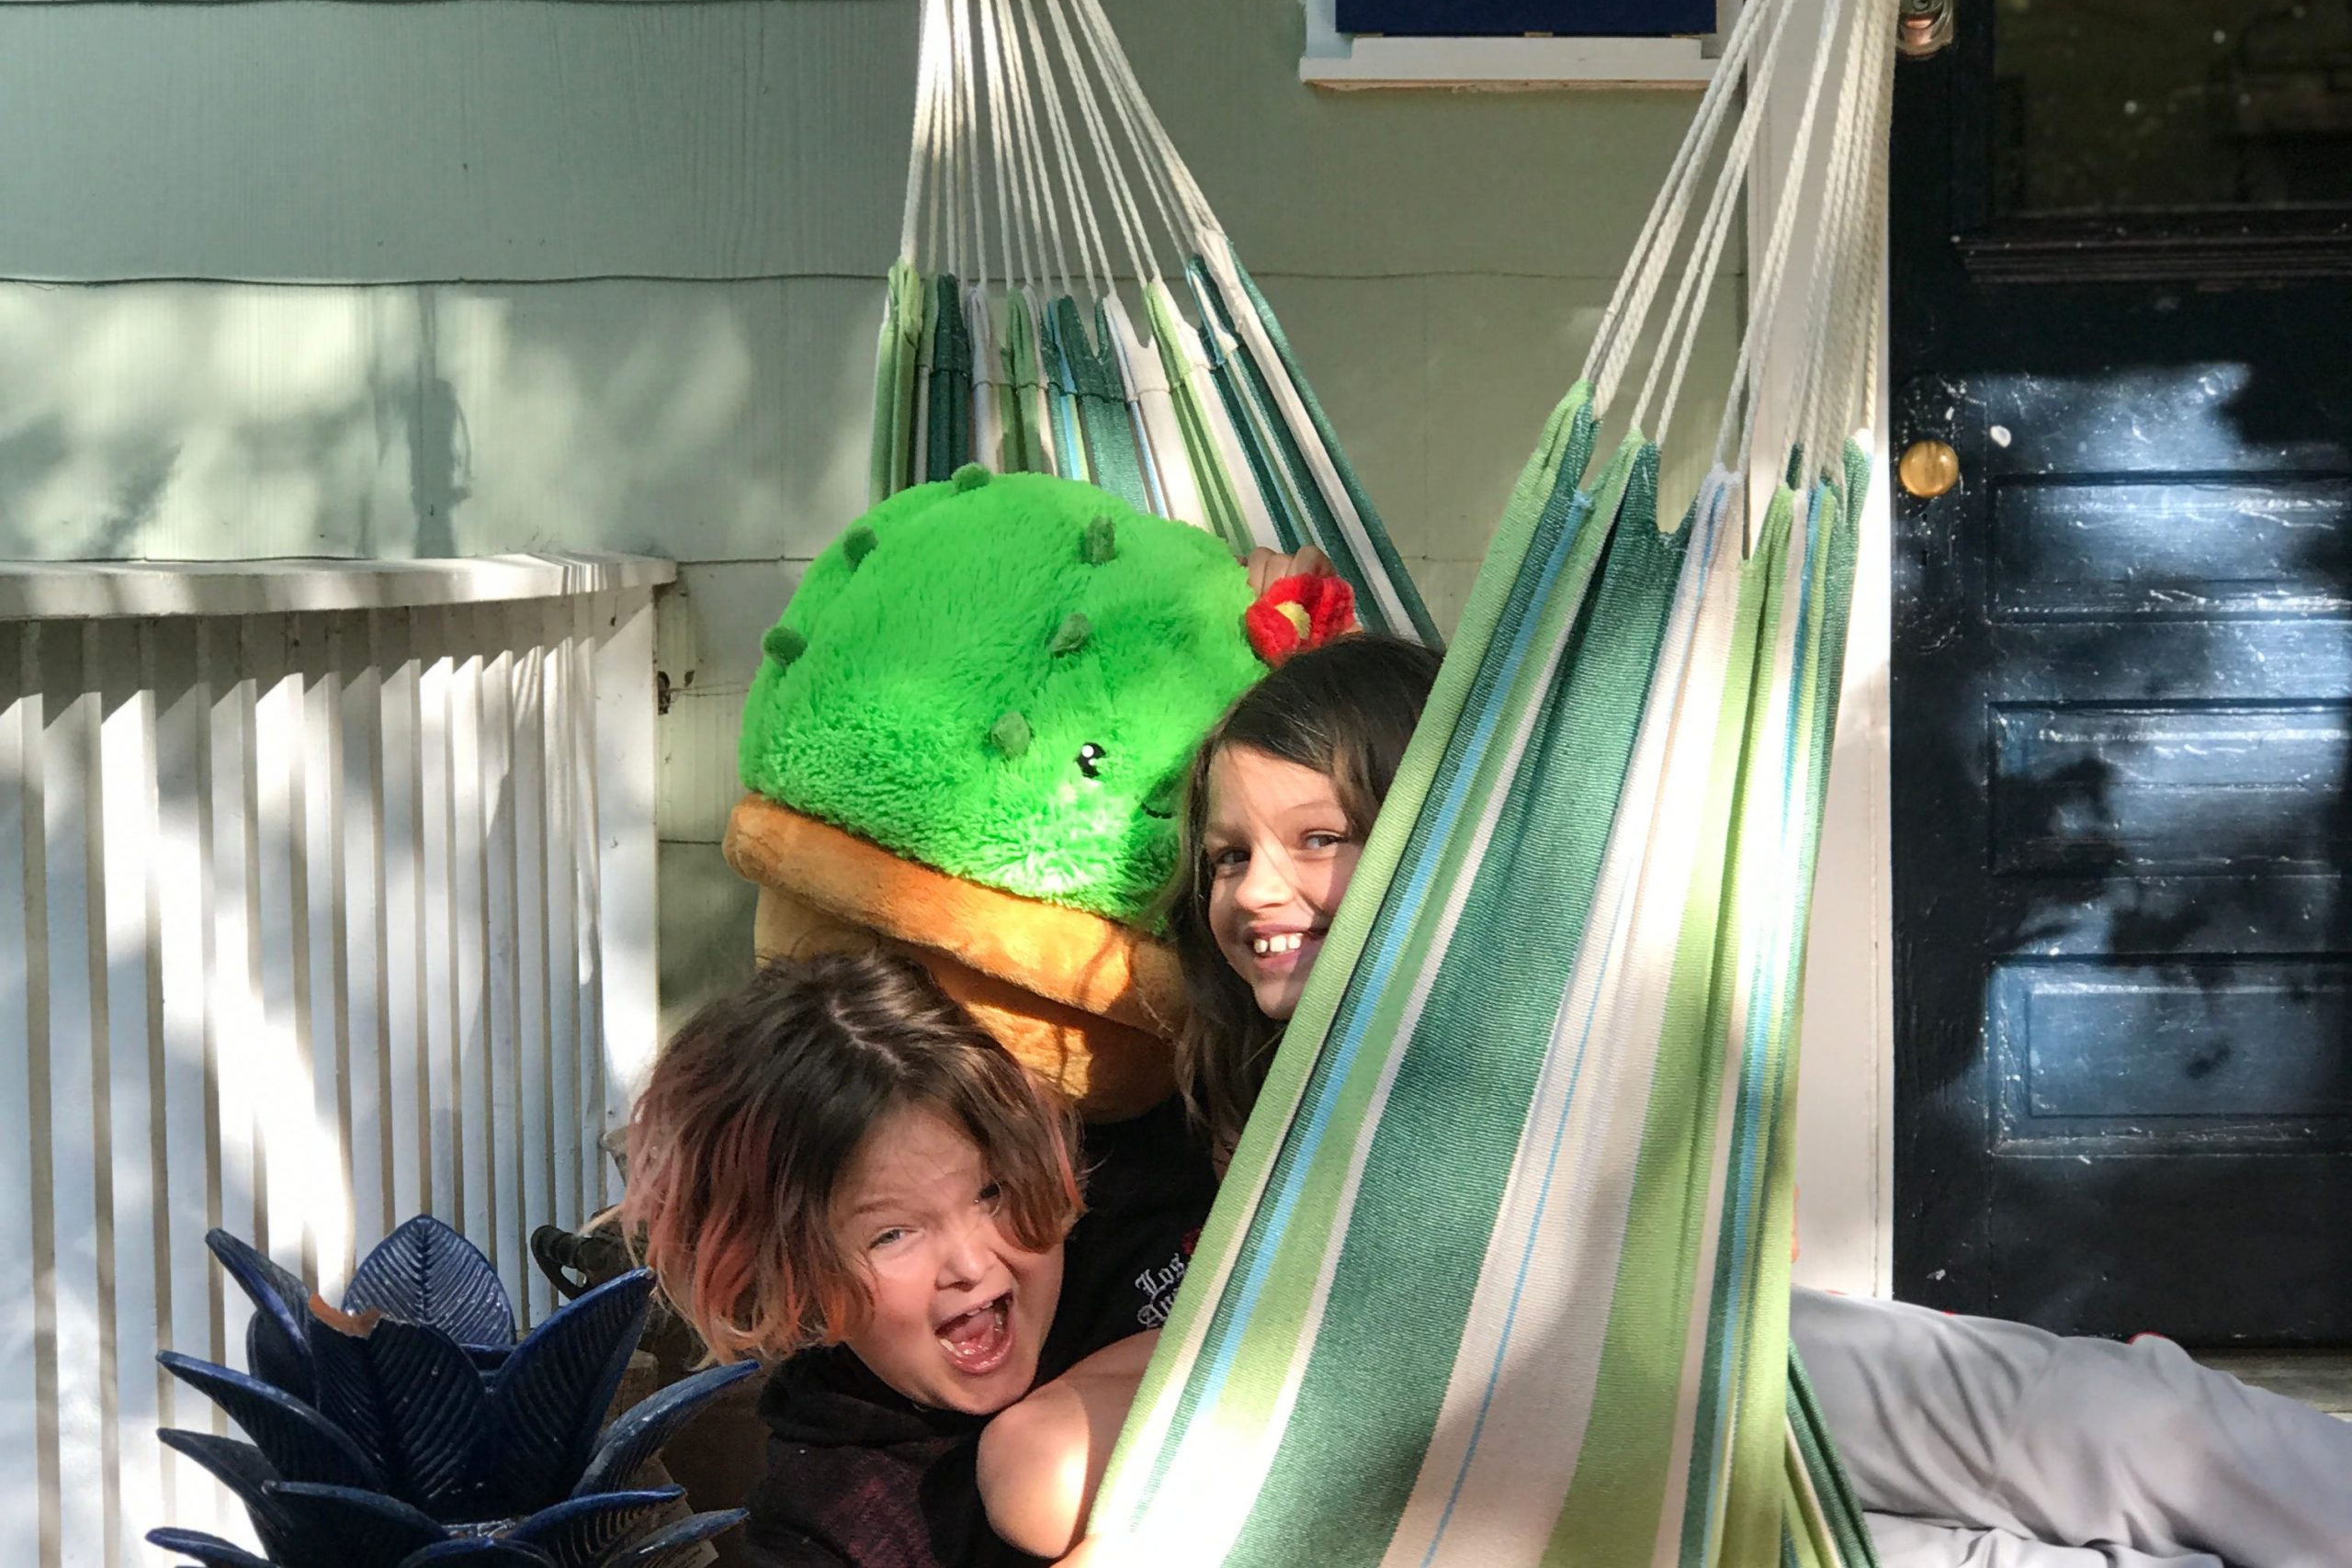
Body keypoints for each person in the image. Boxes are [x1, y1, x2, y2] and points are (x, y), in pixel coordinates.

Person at [1153, 629, 2352, 1568]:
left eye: (1320, 838)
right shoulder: (1261, 1093)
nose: (1260, 887)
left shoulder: (1528, 983)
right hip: (1562, 1457)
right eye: (1229, 854)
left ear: (1441, 835)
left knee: (2085, 1415)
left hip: (1709, 1343)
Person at [619, 949, 1215, 1568]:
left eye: (993, 1191)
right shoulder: (829, 1520)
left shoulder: (1155, 1179)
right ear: (791, 1272)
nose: (969, 1262)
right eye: (893, 1233)